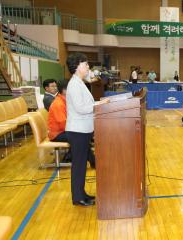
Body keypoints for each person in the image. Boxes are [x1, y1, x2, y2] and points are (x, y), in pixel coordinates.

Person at [65, 52, 109, 206]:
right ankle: (78, 198)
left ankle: (81, 193)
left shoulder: (79, 82)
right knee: (78, 165)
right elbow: (81, 108)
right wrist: (99, 104)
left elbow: (93, 80)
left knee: (82, 164)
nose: (88, 67)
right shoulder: (74, 84)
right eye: (85, 64)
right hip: (77, 131)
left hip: (82, 130)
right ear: (77, 66)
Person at [48, 80, 96, 166]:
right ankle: (93, 162)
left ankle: (72, 156)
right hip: (57, 134)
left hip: (65, 130)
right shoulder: (58, 104)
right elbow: (63, 124)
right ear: (64, 91)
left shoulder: (66, 100)